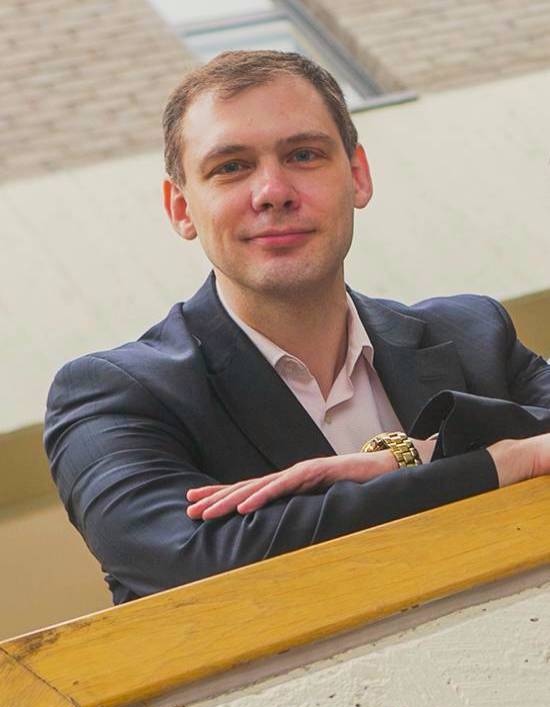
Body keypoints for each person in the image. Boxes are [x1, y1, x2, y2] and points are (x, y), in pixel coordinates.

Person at [44, 50, 550, 605]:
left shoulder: (476, 332)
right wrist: (503, 461)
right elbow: (193, 565)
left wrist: (414, 456)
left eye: (303, 154)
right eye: (231, 167)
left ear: (357, 176)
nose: (273, 191)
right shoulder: (114, 393)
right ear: (182, 208)